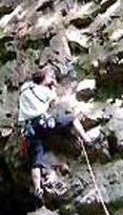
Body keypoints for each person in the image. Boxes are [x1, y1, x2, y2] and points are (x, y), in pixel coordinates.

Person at [18, 66, 98, 199]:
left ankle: (38, 189)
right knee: (71, 118)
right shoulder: (43, 90)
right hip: (43, 124)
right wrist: (53, 86)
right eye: (49, 78)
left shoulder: (25, 90)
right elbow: (54, 99)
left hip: (29, 131)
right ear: (43, 79)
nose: (51, 79)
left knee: (36, 160)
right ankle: (87, 141)